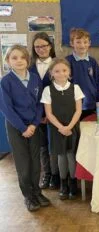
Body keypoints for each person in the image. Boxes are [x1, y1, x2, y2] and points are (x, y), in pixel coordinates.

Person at [0, 45, 50, 211]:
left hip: (33, 127)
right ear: (8, 61)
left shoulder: (35, 79)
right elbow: (7, 108)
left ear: (28, 60)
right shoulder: (5, 82)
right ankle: (28, 196)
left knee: (36, 162)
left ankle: (37, 191)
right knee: (23, 163)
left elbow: (38, 104)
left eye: (22, 57)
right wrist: (23, 128)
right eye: (14, 58)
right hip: (17, 128)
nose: (19, 61)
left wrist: (34, 124)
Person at [40, 58, 84, 200]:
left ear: (69, 72)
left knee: (71, 155)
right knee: (61, 156)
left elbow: (78, 111)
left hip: (72, 128)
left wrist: (69, 127)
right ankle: (63, 184)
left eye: (64, 70)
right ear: (51, 73)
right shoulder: (48, 90)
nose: (61, 74)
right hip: (56, 129)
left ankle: (73, 183)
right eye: (57, 71)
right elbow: (49, 113)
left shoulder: (75, 88)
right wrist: (61, 128)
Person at [29, 32, 60, 190]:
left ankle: (56, 175)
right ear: (34, 49)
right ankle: (46, 174)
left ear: (50, 46)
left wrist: (50, 114)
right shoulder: (29, 67)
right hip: (36, 115)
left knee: (55, 145)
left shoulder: (58, 64)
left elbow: (61, 92)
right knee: (42, 145)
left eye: (44, 46)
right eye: (37, 47)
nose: (41, 49)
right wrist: (39, 115)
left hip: (56, 113)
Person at [65, 28, 99, 120]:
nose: (82, 45)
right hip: (73, 106)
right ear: (71, 43)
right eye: (78, 42)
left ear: (89, 43)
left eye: (85, 42)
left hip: (91, 105)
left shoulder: (93, 62)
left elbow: (98, 83)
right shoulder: (67, 61)